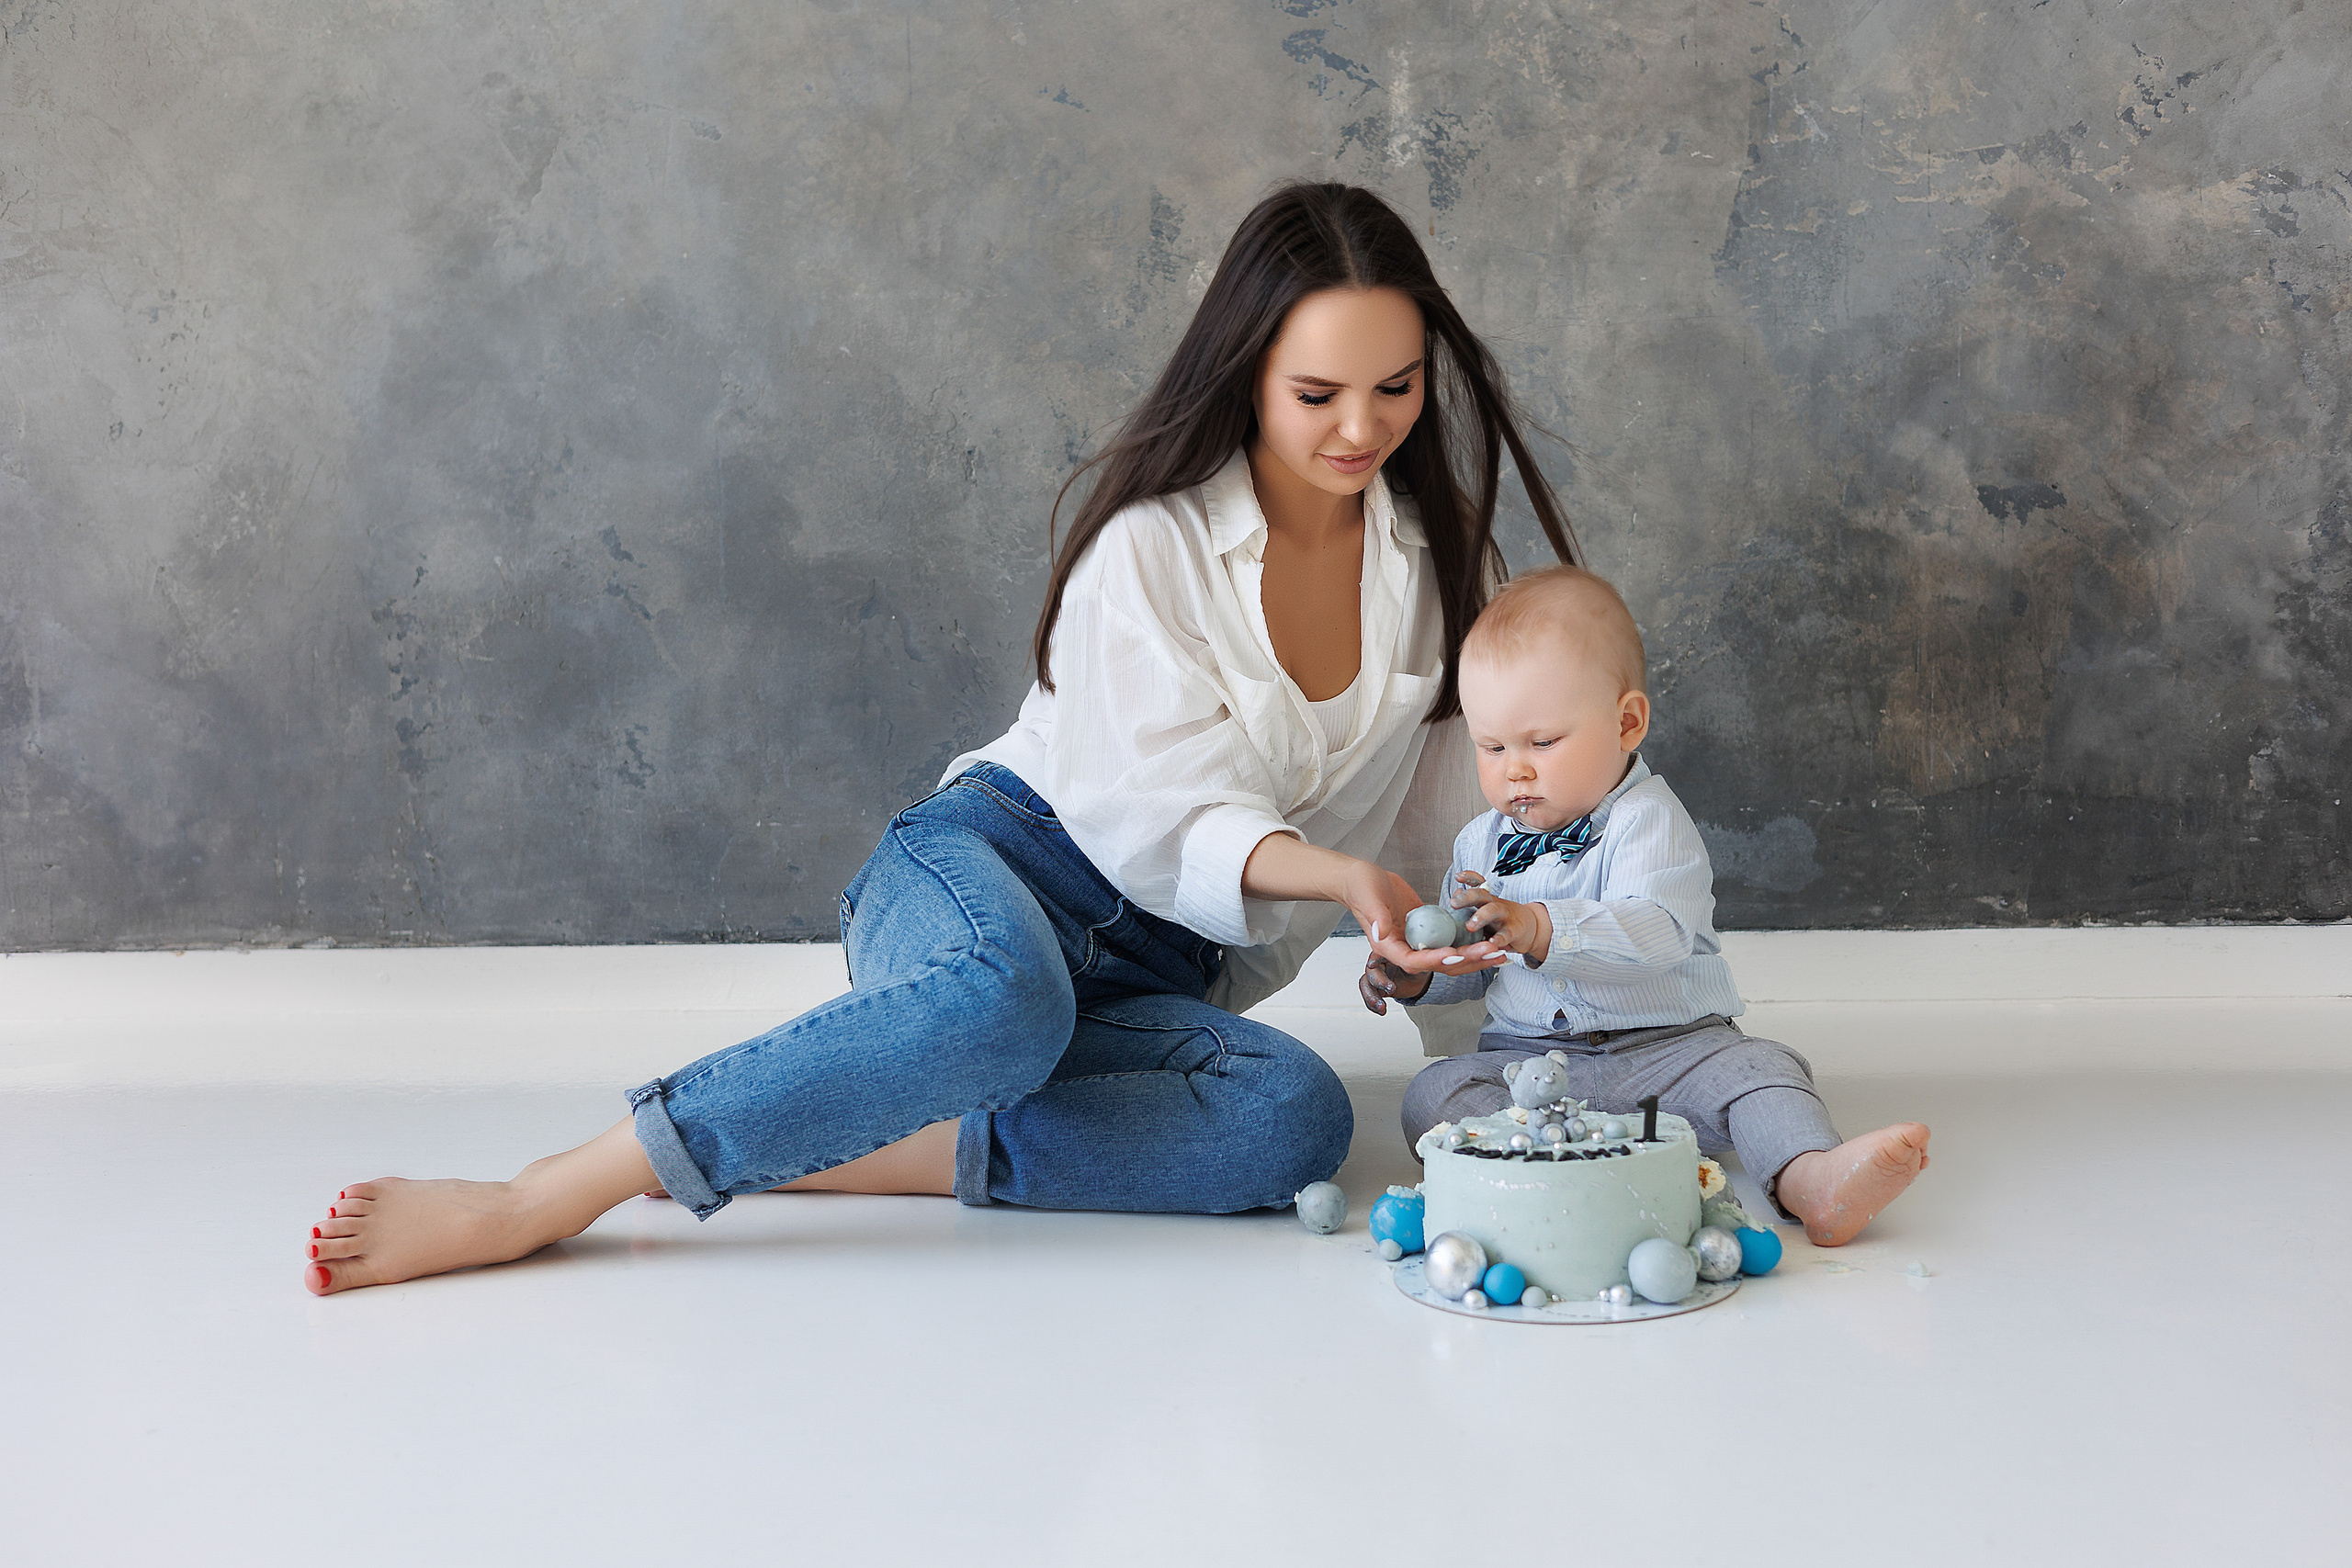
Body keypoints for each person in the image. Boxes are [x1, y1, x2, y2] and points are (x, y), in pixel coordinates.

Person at [302, 181, 1577, 1294]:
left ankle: (846, 1131)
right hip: (990, 873)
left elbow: (1448, 830)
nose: (1362, 428)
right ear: (1246, 370)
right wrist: (1340, 876)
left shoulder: (1429, 572)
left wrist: (1488, 1082)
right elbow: (1157, 813)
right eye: (1318, 392)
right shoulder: (1153, 548)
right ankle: (550, 1190)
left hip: (1158, 978)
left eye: (1395, 388)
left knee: (1293, 1117)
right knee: (1003, 1001)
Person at [1362, 565, 1931, 1246]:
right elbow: (1479, 959)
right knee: (1434, 1095)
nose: (1515, 768)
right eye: (1492, 746)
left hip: (1672, 1050)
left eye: (1543, 742)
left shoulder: (1649, 821)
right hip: (1534, 1066)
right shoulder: (1481, 841)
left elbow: (1655, 932)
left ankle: (1812, 1180)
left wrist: (1539, 924)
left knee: (1765, 1070)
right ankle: (1556, 1178)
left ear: (1627, 722)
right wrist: (1419, 973)